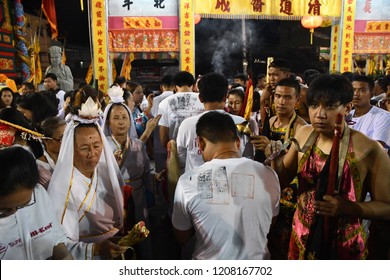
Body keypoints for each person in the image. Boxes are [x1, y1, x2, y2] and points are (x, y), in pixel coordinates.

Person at [268, 74, 390, 260]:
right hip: (301, 237)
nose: (320, 114)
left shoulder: (368, 149)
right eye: (314, 105)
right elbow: (283, 179)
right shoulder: (304, 134)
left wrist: (349, 208)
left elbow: (386, 207)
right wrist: (274, 162)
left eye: (330, 106)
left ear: (348, 107)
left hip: (344, 246)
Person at [172, 111, 280, 259]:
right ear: (238, 142)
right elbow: (270, 221)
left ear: (201, 143)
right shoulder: (269, 175)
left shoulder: (189, 181)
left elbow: (182, 235)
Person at [48, 97, 128, 260]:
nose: (92, 154)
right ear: (71, 149)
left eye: (97, 146)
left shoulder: (104, 170)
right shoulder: (62, 187)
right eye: (84, 148)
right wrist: (93, 250)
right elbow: (59, 245)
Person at [250, 78, 306, 259]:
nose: (282, 102)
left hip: (288, 190)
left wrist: (272, 150)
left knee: (283, 239)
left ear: (297, 101)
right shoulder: (271, 120)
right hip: (266, 183)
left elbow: (298, 164)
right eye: (279, 97)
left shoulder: (301, 128)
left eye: (288, 97)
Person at [101, 86, 155, 259]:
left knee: (140, 235)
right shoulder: (102, 147)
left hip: (137, 198)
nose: (121, 122)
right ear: (108, 122)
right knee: (118, 236)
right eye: (116, 118)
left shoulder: (138, 145)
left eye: (124, 117)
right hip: (113, 198)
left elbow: (147, 172)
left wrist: (154, 184)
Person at [0, 146, 73, 260]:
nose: (14, 212)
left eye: (24, 205)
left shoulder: (39, 195)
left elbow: (55, 235)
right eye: (4, 210)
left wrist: (64, 255)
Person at [157, 71, 204, 148]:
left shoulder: (164, 103)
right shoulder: (203, 99)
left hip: (177, 152)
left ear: (174, 87)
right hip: (201, 151)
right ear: (194, 85)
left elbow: (163, 138)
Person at [348, 74, 390, 149]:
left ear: (371, 94)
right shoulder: (346, 116)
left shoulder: (383, 117)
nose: (356, 94)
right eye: (353, 90)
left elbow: (377, 148)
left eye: (362, 90)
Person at [36, 116, 66, 189]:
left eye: (68, 137)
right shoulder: (40, 167)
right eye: (61, 138)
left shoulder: (72, 157)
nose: (67, 142)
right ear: (47, 140)